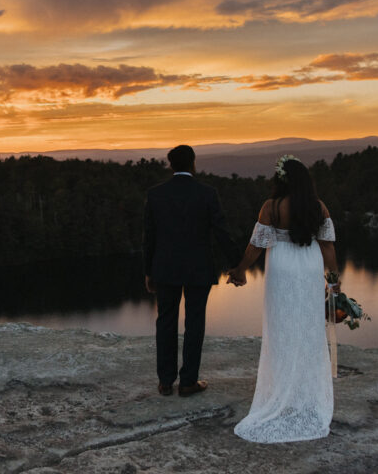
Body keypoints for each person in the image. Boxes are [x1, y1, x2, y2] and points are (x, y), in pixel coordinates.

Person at [226, 155, 338, 442]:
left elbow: (256, 245)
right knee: (309, 329)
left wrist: (240, 270)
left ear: (280, 179)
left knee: (281, 328)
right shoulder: (319, 206)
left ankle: (281, 393)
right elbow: (327, 246)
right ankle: (306, 395)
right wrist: (334, 281)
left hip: (282, 267)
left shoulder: (271, 207)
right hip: (309, 265)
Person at [143, 144, 243, 397]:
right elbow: (221, 231)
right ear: (193, 164)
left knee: (165, 322)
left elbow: (149, 237)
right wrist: (237, 264)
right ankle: (188, 382)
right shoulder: (207, 193)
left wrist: (148, 272)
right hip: (198, 268)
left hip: (164, 269)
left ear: (171, 165)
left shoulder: (156, 194)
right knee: (194, 323)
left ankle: (165, 382)